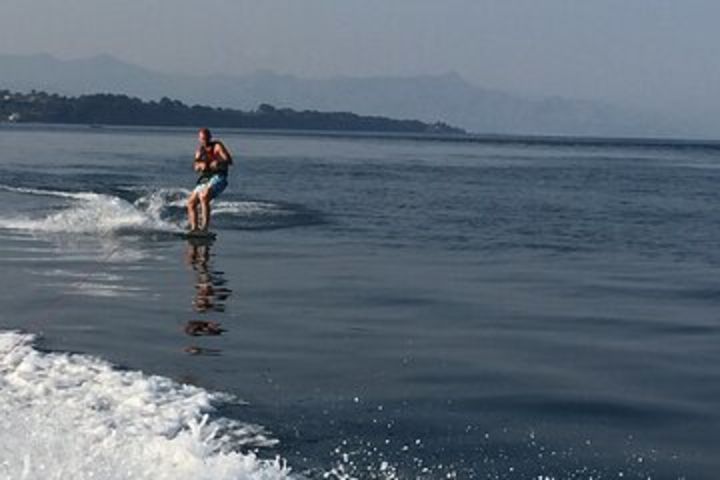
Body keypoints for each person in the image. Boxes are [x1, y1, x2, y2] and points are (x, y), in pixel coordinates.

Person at [187, 128, 233, 232]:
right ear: (199, 139)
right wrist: (199, 166)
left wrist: (218, 162)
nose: (205, 141)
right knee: (191, 202)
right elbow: (195, 166)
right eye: (202, 139)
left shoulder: (217, 146)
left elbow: (229, 161)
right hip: (205, 179)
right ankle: (194, 229)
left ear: (210, 137)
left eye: (207, 138)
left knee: (204, 195)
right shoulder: (200, 151)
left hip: (219, 177)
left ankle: (204, 228)